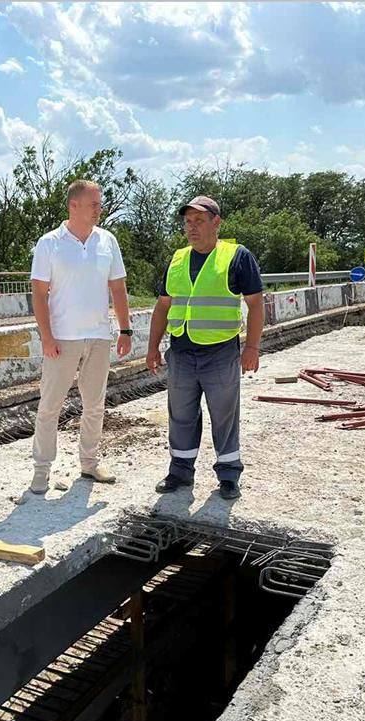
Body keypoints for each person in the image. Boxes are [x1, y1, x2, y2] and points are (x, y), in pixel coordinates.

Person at [145, 195, 264, 500]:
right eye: (188, 221)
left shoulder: (237, 256)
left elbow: (255, 303)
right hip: (181, 350)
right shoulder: (177, 259)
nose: (191, 227)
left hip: (220, 351)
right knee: (181, 414)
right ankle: (180, 472)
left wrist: (251, 347)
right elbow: (163, 306)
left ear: (216, 222)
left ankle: (228, 475)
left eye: (199, 220)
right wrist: (153, 346)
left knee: (224, 414)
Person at [29, 179, 133, 494]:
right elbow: (38, 293)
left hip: (99, 336)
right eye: (94, 204)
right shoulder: (50, 243)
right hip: (62, 339)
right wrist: (46, 337)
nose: (99, 209)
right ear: (74, 205)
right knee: (50, 406)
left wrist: (125, 328)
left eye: (99, 204)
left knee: (95, 404)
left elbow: (118, 287)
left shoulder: (107, 241)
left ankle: (89, 463)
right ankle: (41, 470)